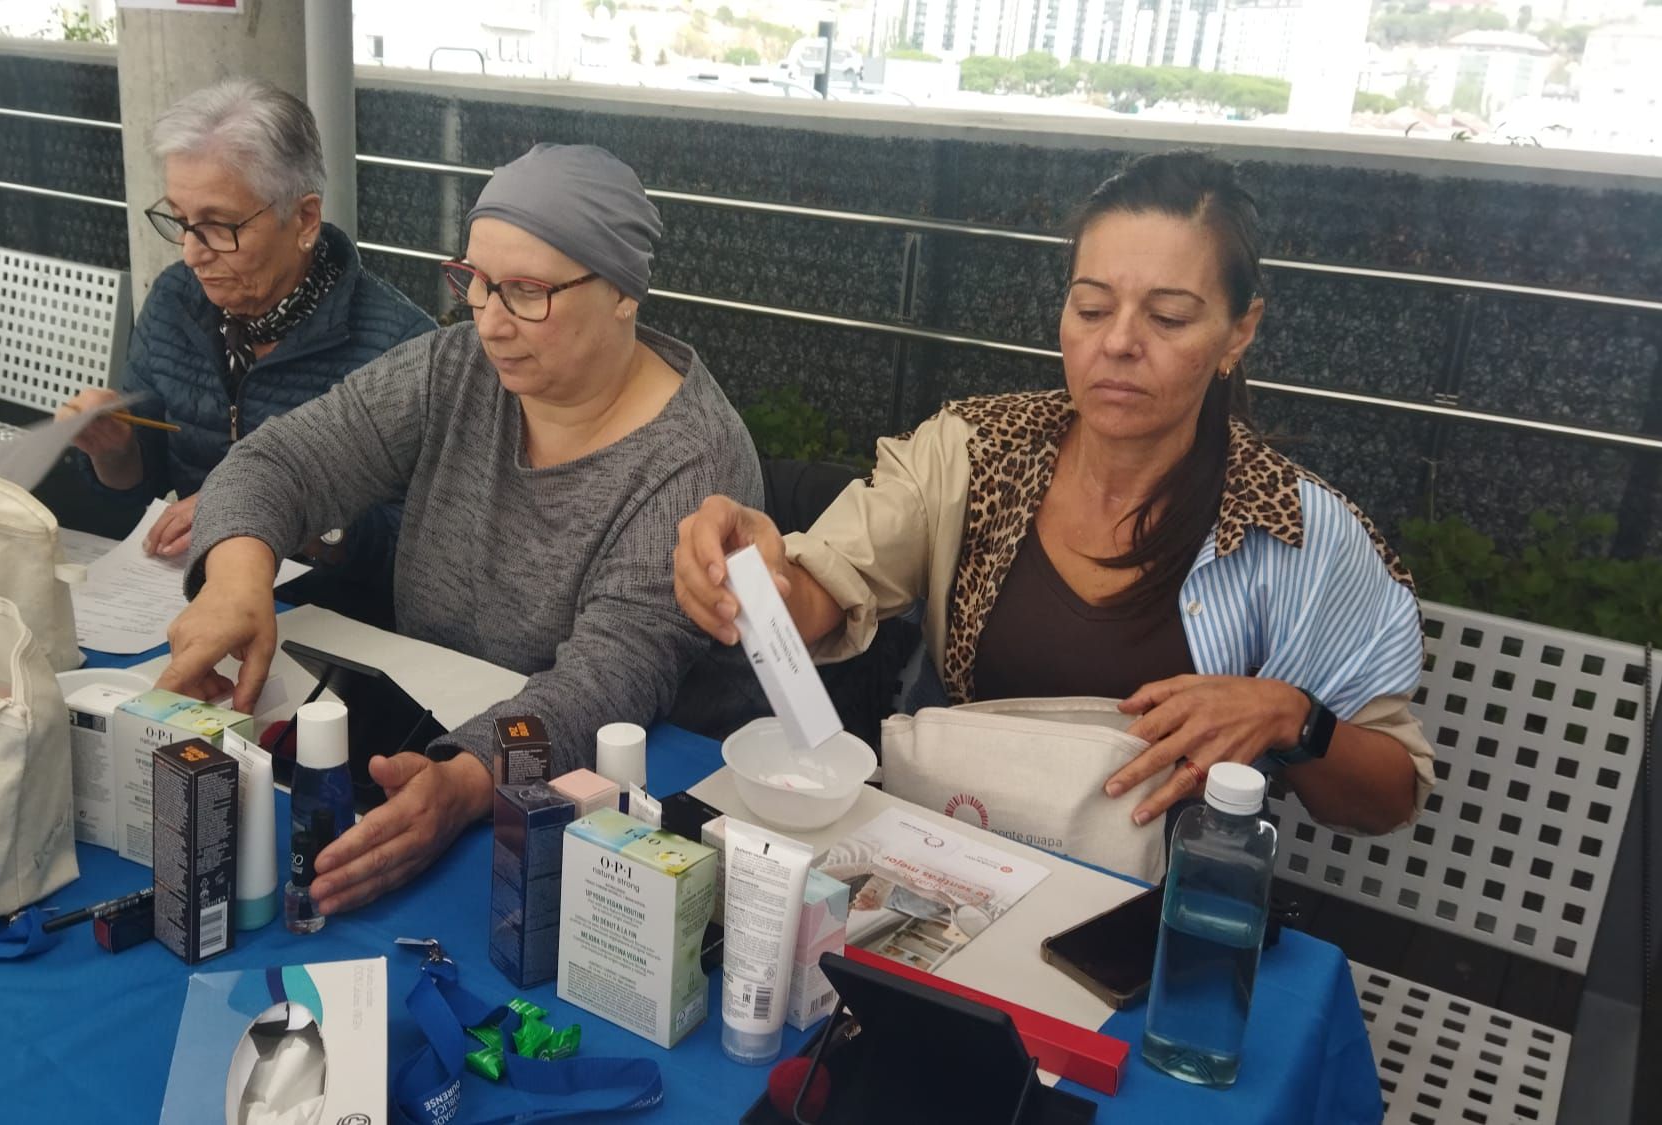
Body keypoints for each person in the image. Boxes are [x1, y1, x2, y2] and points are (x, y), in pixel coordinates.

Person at [675, 151, 1433, 839]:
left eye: (1168, 317)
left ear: (1239, 333)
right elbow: (828, 588)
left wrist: (1292, 717)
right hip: (943, 866)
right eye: (1092, 307)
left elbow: (1387, 794)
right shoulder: (974, 452)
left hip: (1148, 920)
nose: (1119, 342)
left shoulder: (1291, 527)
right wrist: (758, 574)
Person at [159, 144, 763, 913]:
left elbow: (605, 685)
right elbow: (286, 457)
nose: (490, 320)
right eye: (474, 282)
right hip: (433, 733)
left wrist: (467, 780)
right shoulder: (457, 368)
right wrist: (238, 582)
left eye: (526, 292)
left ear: (621, 293)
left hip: (611, 824)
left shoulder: (690, 459)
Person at [58, 78, 435, 618]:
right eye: (181, 222)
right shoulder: (177, 302)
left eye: (216, 227)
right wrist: (115, 453)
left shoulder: (399, 347)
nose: (191, 254)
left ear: (303, 219)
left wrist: (267, 510)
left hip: (330, 626)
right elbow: (138, 506)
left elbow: (416, 552)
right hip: (178, 601)